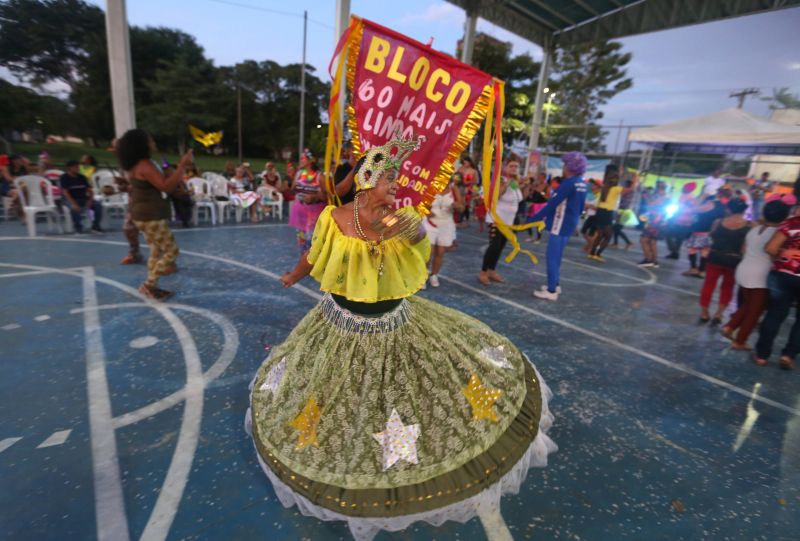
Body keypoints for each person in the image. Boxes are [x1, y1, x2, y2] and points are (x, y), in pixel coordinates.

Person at [248, 133, 555, 541]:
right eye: (388, 179)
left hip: (395, 323)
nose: (396, 186)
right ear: (366, 179)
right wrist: (293, 274)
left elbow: (417, 244)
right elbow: (313, 253)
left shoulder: (401, 217)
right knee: (344, 393)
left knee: (406, 390)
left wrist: (403, 225)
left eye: (397, 179)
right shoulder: (332, 218)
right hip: (339, 324)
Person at [117, 128, 191, 300]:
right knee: (172, 251)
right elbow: (166, 186)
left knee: (156, 251)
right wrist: (182, 166)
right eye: (150, 140)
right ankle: (149, 285)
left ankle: (153, 287)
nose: (153, 143)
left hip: (143, 215)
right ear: (141, 145)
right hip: (151, 216)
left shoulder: (136, 164)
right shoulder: (144, 164)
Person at [723, 198, 792, 350]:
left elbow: (743, 250)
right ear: (785, 216)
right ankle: (740, 341)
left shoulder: (754, 229)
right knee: (755, 312)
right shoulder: (779, 234)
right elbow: (775, 253)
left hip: (744, 269)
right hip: (760, 275)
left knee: (749, 305)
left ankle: (729, 327)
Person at [528, 152, 589, 301]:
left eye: (565, 165)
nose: (563, 168)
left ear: (569, 167)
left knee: (552, 257)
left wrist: (532, 219)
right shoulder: (581, 183)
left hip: (560, 223)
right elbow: (581, 207)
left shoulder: (568, 183)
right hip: (570, 223)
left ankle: (551, 291)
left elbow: (552, 204)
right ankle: (555, 284)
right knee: (558, 255)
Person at [753, 203, 800, 369]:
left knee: (775, 314)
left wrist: (785, 253)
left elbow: (770, 248)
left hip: (783, 275)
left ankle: (762, 355)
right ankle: (788, 355)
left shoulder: (791, 223)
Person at [698, 198, 750, 325]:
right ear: (744, 210)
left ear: (728, 209)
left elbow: (711, 236)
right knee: (728, 287)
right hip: (734, 260)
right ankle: (719, 314)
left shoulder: (718, 222)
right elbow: (745, 247)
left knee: (708, 285)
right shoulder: (749, 226)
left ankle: (704, 312)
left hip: (715, 257)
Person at [478, 158, 525, 286]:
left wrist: (523, 185)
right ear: (505, 167)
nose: (514, 169)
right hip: (496, 219)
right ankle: (483, 272)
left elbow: (519, 199)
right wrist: (507, 183)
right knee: (494, 246)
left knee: (500, 247)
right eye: (511, 166)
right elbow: (495, 197)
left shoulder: (515, 182)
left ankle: (492, 270)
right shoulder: (499, 180)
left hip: (509, 221)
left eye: (516, 166)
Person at [588, 165, 635, 262]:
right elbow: (631, 189)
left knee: (600, 234)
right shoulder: (616, 189)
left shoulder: (604, 188)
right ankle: (598, 254)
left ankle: (592, 253)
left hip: (600, 212)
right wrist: (636, 180)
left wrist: (620, 173)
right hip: (606, 213)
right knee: (608, 235)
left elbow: (611, 179)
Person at [424, 174, 464, 287]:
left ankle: (434, 275)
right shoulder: (431, 187)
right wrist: (427, 212)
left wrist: (458, 207)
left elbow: (462, 207)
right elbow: (422, 204)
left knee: (440, 252)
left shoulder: (454, 189)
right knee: (428, 253)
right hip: (430, 223)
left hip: (446, 224)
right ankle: (423, 275)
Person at [683, 189, 729, 277]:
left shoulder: (712, 203)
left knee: (692, 249)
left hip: (701, 229)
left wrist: (703, 196)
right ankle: (702, 270)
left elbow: (694, 209)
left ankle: (693, 269)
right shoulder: (725, 206)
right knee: (705, 250)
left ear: (719, 194)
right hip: (712, 231)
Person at [288, 151, 327, 249]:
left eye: (302, 158)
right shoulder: (299, 174)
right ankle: (302, 259)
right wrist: (292, 187)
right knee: (301, 239)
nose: (300, 161)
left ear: (310, 161)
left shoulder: (319, 176)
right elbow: (293, 190)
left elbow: (326, 197)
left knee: (311, 240)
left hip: (314, 211)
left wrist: (314, 197)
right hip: (300, 209)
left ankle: (311, 262)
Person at [59, 159, 103, 234]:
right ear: (70, 168)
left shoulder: (82, 177)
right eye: (76, 167)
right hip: (70, 199)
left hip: (83, 199)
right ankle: (78, 228)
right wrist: (73, 204)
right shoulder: (64, 178)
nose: (78, 168)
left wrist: (90, 200)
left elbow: (90, 191)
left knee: (98, 205)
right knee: (74, 208)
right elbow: (65, 192)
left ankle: (95, 226)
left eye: (78, 167)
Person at [637, 182, 668, 268]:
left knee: (644, 239)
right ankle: (654, 260)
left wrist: (646, 195)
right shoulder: (664, 196)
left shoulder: (661, 196)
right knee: (652, 241)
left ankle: (648, 259)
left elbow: (651, 204)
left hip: (654, 220)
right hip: (658, 220)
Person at [665, 182, 697, 259]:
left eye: (684, 187)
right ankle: (675, 252)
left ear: (687, 189)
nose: (682, 188)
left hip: (683, 219)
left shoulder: (691, 198)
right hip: (682, 219)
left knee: (669, 234)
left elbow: (691, 208)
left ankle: (674, 252)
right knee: (678, 238)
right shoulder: (683, 196)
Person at [525, 176, 549, 243]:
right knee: (528, 221)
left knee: (539, 223)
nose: (539, 179)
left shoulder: (546, 186)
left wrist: (541, 192)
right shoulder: (536, 185)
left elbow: (548, 197)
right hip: (533, 205)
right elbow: (531, 194)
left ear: (544, 178)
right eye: (539, 178)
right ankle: (530, 236)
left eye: (541, 178)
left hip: (541, 206)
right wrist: (531, 190)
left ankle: (538, 238)